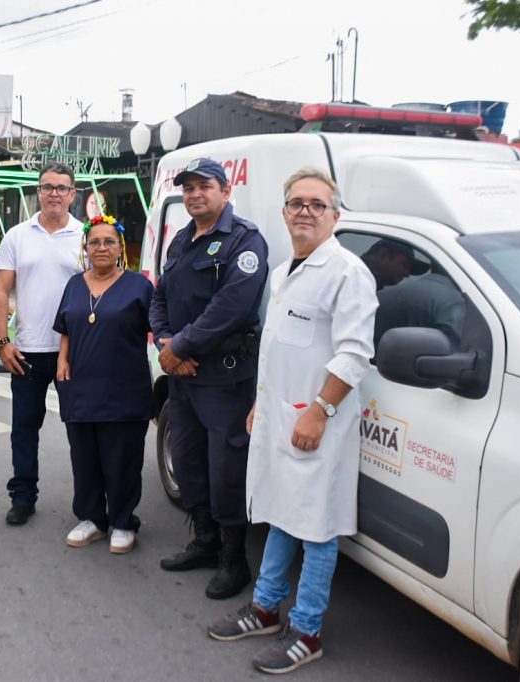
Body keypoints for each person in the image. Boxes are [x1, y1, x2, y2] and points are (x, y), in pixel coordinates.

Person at [207, 167, 377, 675]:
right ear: (284, 212)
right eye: (297, 202)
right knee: (282, 512)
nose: (305, 211)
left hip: (316, 425)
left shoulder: (347, 273)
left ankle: (307, 631)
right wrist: (262, 403)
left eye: (316, 204)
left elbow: (354, 354)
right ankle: (265, 608)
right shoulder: (283, 273)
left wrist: (320, 412)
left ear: (334, 215)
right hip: (281, 417)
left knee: (318, 529)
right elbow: (278, 350)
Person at [149, 157, 269, 600]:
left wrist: (178, 347)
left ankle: (234, 561)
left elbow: (230, 309)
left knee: (226, 470)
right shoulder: (182, 240)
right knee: (188, 461)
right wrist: (166, 343)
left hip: (223, 378)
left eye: (205, 186)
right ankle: (204, 542)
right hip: (183, 377)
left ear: (225, 191)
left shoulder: (245, 241)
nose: (195, 194)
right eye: (188, 188)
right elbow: (160, 298)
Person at [53, 215, 154, 553]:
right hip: (80, 386)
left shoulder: (139, 286)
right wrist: (62, 359)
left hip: (124, 388)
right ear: (85, 247)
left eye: (109, 241)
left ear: (120, 247)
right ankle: (92, 519)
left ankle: (123, 522)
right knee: (85, 457)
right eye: (94, 242)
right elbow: (65, 327)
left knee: (122, 459)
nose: (101, 247)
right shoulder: (74, 285)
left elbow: (160, 327)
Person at [0, 161, 83, 526]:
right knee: (24, 430)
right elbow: (1, 290)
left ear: (73, 194)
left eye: (62, 187)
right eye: (47, 187)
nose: (54, 193)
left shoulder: (86, 235)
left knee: (81, 430)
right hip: (26, 351)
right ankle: (23, 497)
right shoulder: (17, 236)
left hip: (73, 353)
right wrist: (3, 342)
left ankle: (89, 502)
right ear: (38, 192)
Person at [361, 238, 427, 290]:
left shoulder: (365, 283)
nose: (407, 274)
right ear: (383, 255)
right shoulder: (360, 282)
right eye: (404, 265)